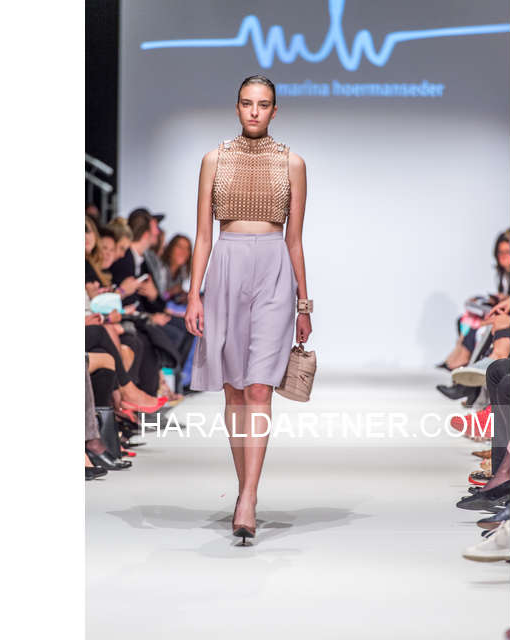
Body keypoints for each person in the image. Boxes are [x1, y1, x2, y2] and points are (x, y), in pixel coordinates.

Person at [185, 75, 312, 544]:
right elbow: (203, 235)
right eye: (247, 103)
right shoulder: (214, 159)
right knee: (234, 390)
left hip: (275, 268)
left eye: (263, 104)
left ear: (275, 110)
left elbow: (295, 240)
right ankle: (245, 488)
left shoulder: (292, 163)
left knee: (260, 387)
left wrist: (303, 303)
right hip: (226, 267)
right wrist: (193, 293)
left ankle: (248, 498)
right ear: (237, 107)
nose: (254, 111)